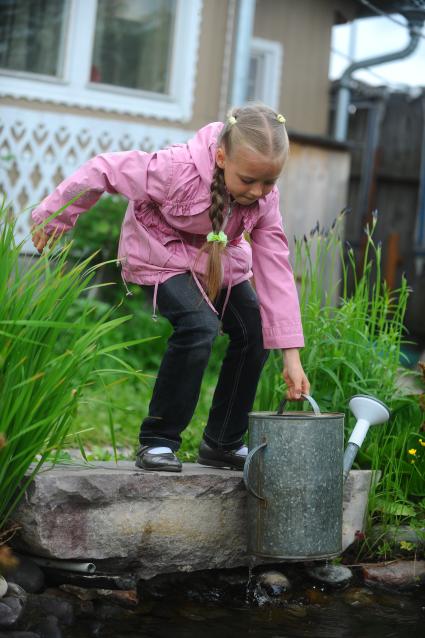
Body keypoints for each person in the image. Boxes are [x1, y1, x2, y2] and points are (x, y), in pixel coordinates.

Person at [31, 103, 310, 473]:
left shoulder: (262, 199)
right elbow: (103, 169)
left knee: (253, 329)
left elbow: (274, 266)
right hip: (159, 256)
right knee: (199, 326)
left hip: (217, 262)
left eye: (269, 182)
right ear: (222, 157)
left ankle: (223, 442)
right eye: (249, 180)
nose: (258, 191)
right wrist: (54, 216)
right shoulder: (174, 169)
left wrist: (291, 355)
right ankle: (159, 442)